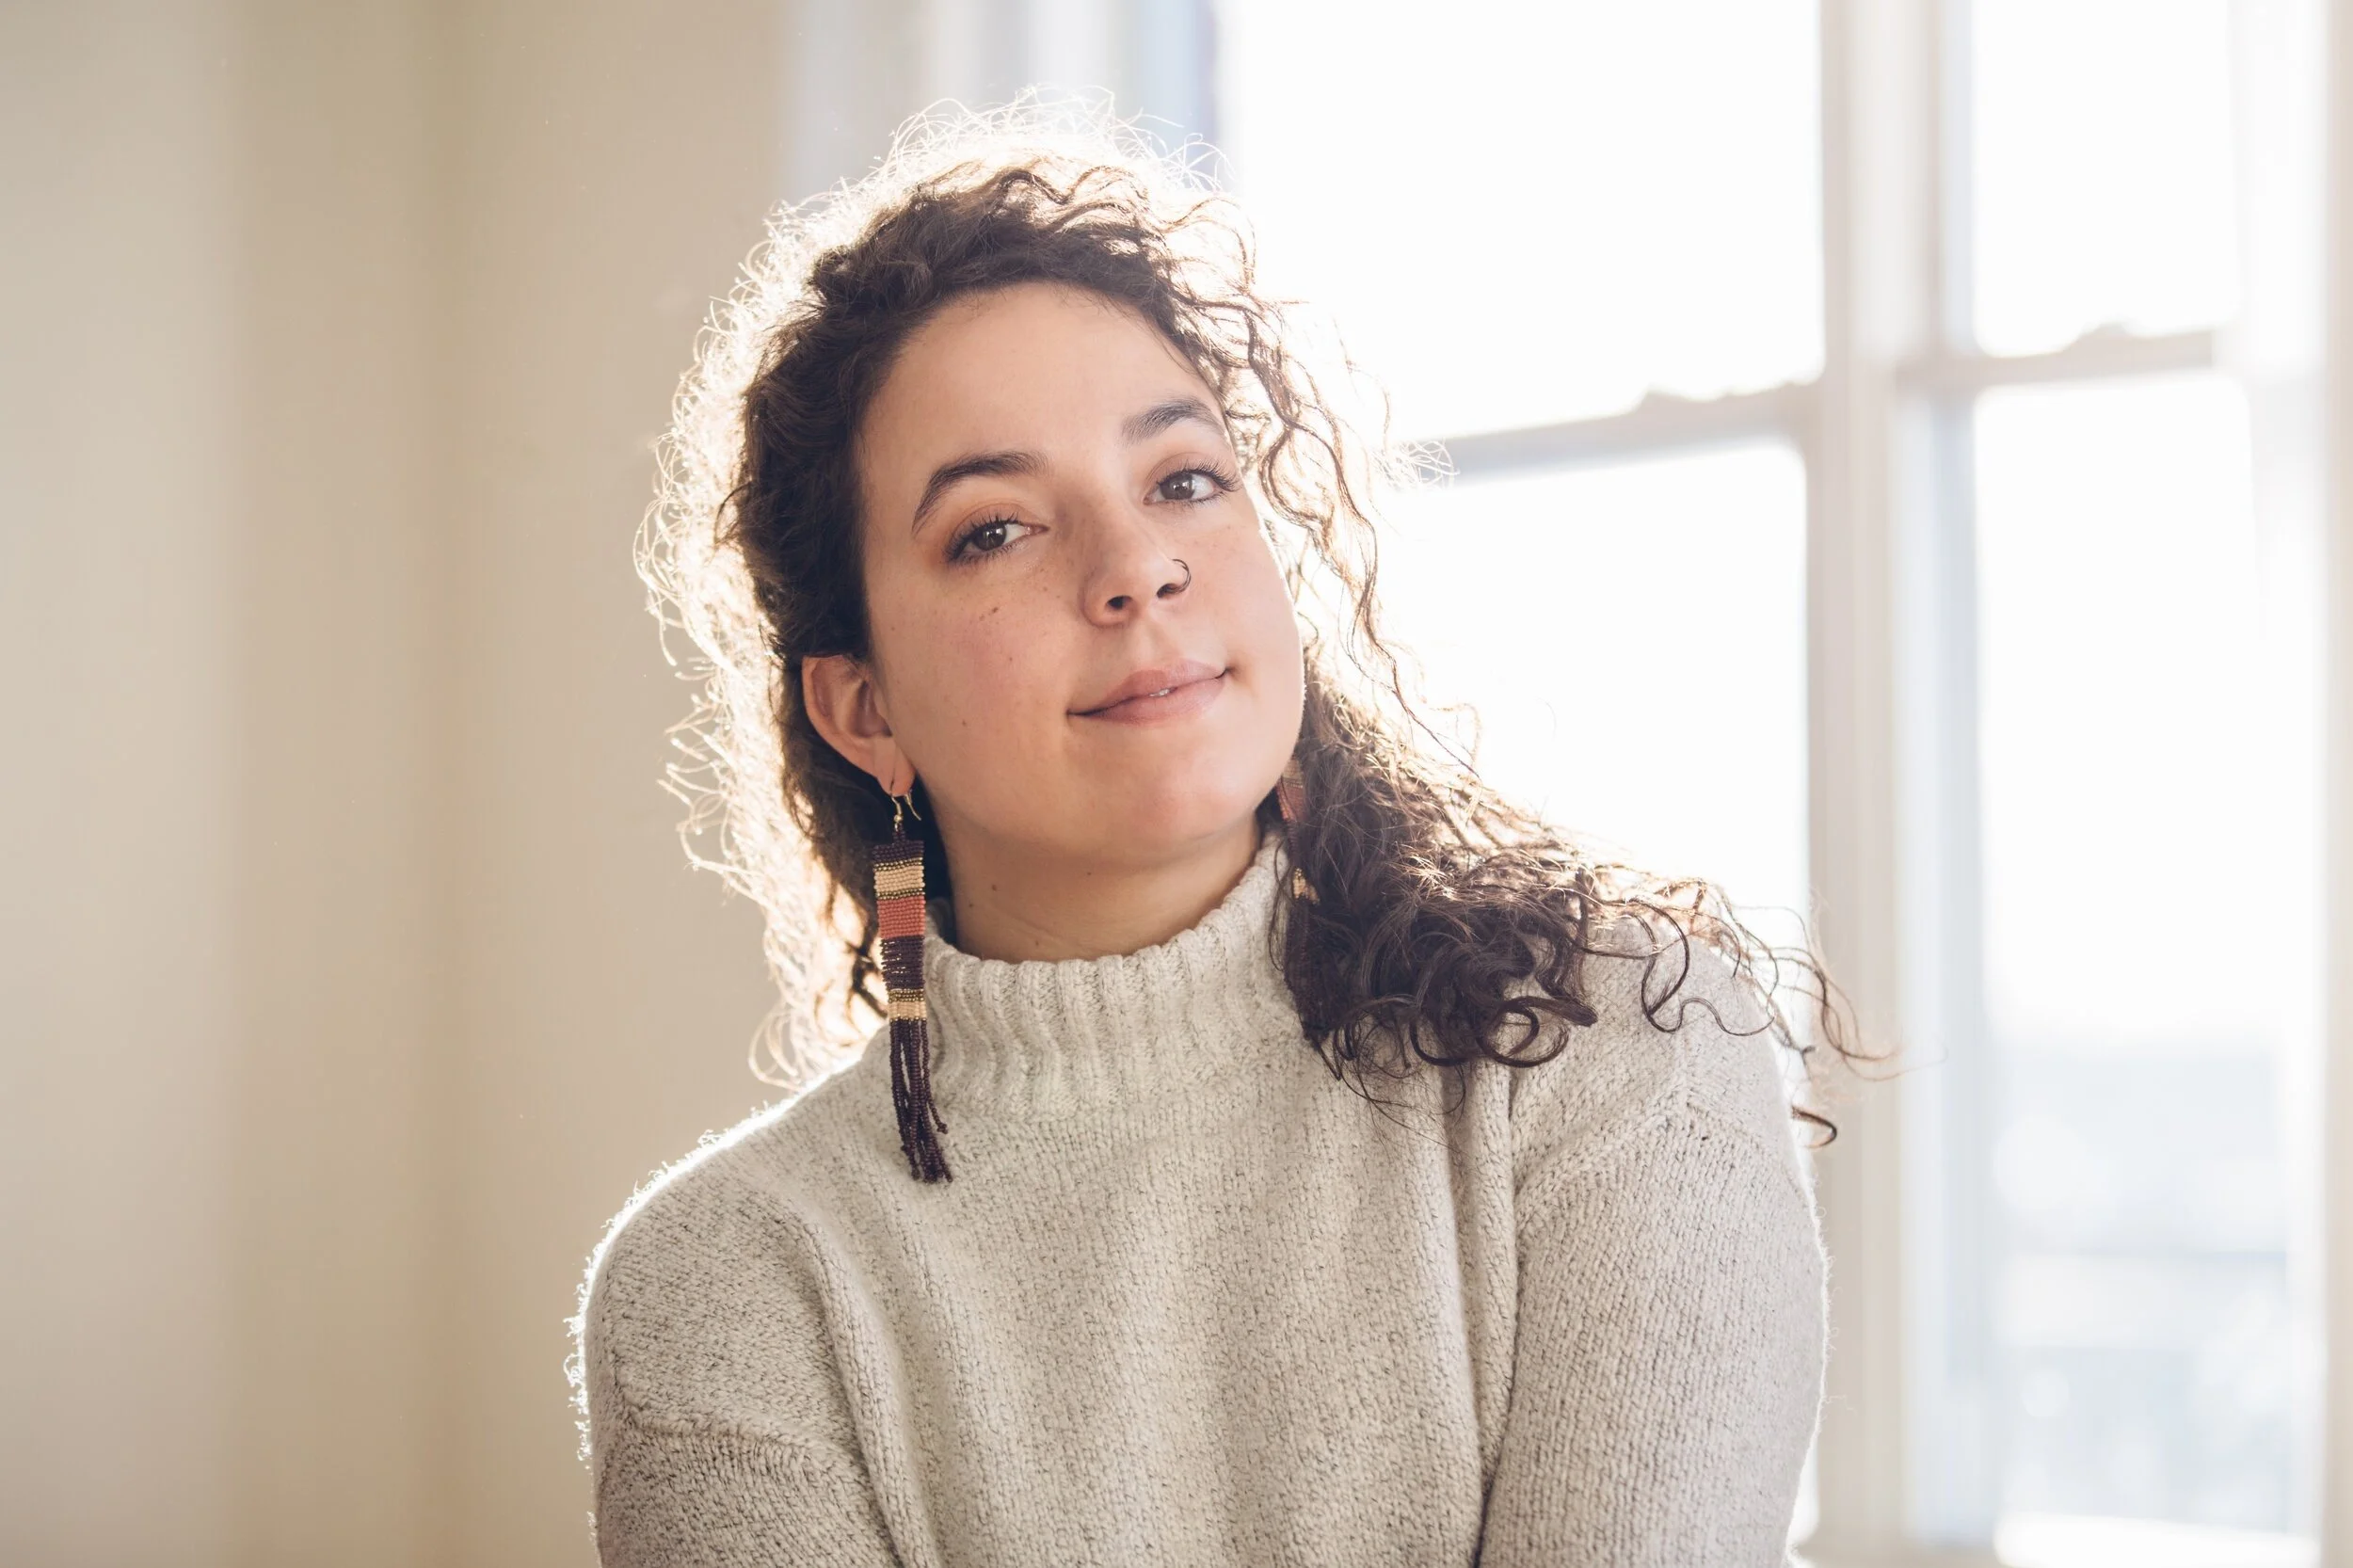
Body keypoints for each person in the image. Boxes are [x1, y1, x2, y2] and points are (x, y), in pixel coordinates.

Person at [571, 104, 1848, 1567]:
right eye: (995, 528)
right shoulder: (730, 1279)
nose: (1137, 567)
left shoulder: (1616, 1043)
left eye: (1182, 479)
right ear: (865, 710)